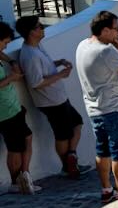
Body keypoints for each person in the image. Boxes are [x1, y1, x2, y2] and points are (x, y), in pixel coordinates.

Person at [76, 10, 118, 203]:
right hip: (115, 109)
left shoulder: (82, 46)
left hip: (94, 110)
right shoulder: (106, 52)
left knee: (101, 150)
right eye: (116, 29)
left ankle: (106, 188)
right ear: (104, 31)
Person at [16, 15, 85, 179]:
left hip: (57, 98)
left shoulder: (37, 47)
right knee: (62, 134)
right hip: (50, 102)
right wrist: (60, 75)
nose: (42, 28)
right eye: (39, 26)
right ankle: (67, 166)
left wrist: (58, 62)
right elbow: (36, 82)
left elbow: (43, 69)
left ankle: (71, 157)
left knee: (76, 123)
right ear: (31, 32)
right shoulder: (30, 55)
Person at [0, 22, 36, 194]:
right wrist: (11, 78)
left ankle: (24, 176)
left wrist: (11, 61)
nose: (6, 46)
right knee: (15, 147)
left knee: (26, 137)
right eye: (4, 42)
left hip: (12, 107)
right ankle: (17, 182)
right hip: (4, 112)